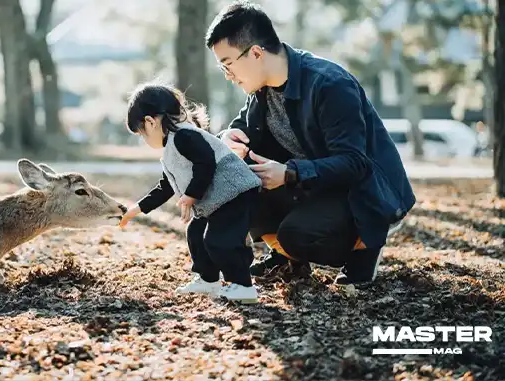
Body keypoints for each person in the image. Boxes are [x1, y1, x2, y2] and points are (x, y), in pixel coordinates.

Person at [205, 0, 416, 284]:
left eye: (228, 65)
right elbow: (242, 127)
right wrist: (227, 138)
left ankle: (364, 247)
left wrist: (290, 173)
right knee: (236, 195)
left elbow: (355, 164)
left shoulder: (329, 84)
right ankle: (287, 258)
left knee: (297, 235)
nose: (228, 76)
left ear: (255, 53)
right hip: (312, 186)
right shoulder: (262, 88)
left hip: (363, 194)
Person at [118, 83, 262, 303]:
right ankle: (209, 280)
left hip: (236, 193)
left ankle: (242, 285)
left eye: (141, 133)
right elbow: (165, 186)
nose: (143, 140)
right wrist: (136, 209)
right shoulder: (171, 148)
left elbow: (206, 163)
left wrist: (191, 195)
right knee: (196, 234)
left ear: (151, 122)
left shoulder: (185, 136)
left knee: (219, 240)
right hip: (219, 200)